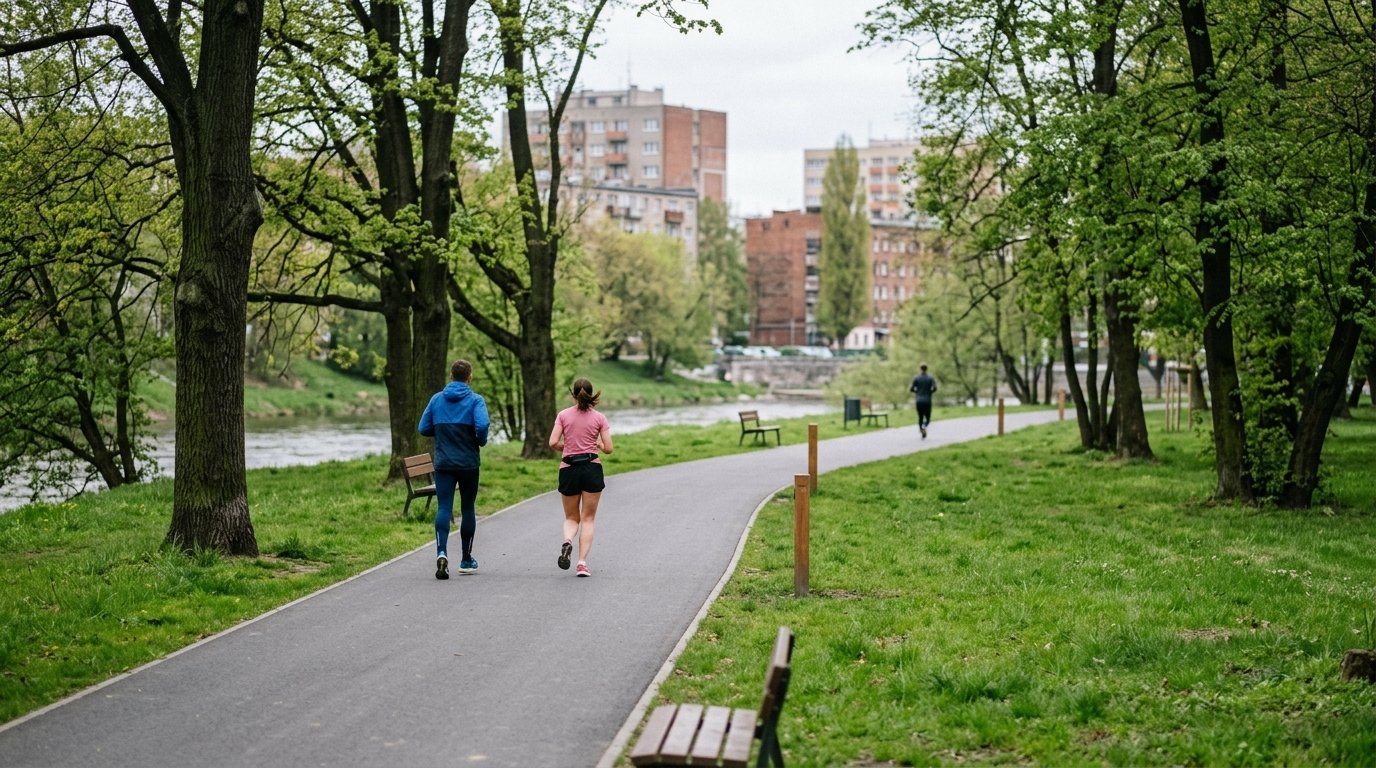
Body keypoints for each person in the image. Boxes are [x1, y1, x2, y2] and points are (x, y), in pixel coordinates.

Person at [418, 359, 489, 580]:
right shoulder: (476, 400)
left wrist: (442, 433)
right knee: (467, 508)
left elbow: (423, 428)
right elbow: (483, 425)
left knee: (444, 508)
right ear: (470, 377)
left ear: (451, 376)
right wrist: (480, 440)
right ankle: (466, 559)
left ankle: (441, 553)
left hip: (443, 464)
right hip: (468, 463)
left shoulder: (437, 400)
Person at [547, 378, 613, 578]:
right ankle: (582, 563)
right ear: (591, 394)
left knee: (571, 517)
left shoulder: (563, 415)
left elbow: (553, 442)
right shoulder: (599, 418)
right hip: (591, 467)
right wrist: (599, 445)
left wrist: (565, 448)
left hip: (568, 468)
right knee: (588, 518)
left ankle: (567, 541)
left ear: (574, 394)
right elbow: (609, 448)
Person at [909, 363, 938, 439]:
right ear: (926, 369)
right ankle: (924, 426)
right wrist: (930, 392)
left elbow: (911, 389)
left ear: (920, 369)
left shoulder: (916, 378)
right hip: (927, 400)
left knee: (920, 417)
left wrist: (917, 392)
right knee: (928, 419)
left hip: (919, 400)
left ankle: (922, 429)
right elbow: (935, 388)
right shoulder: (930, 378)